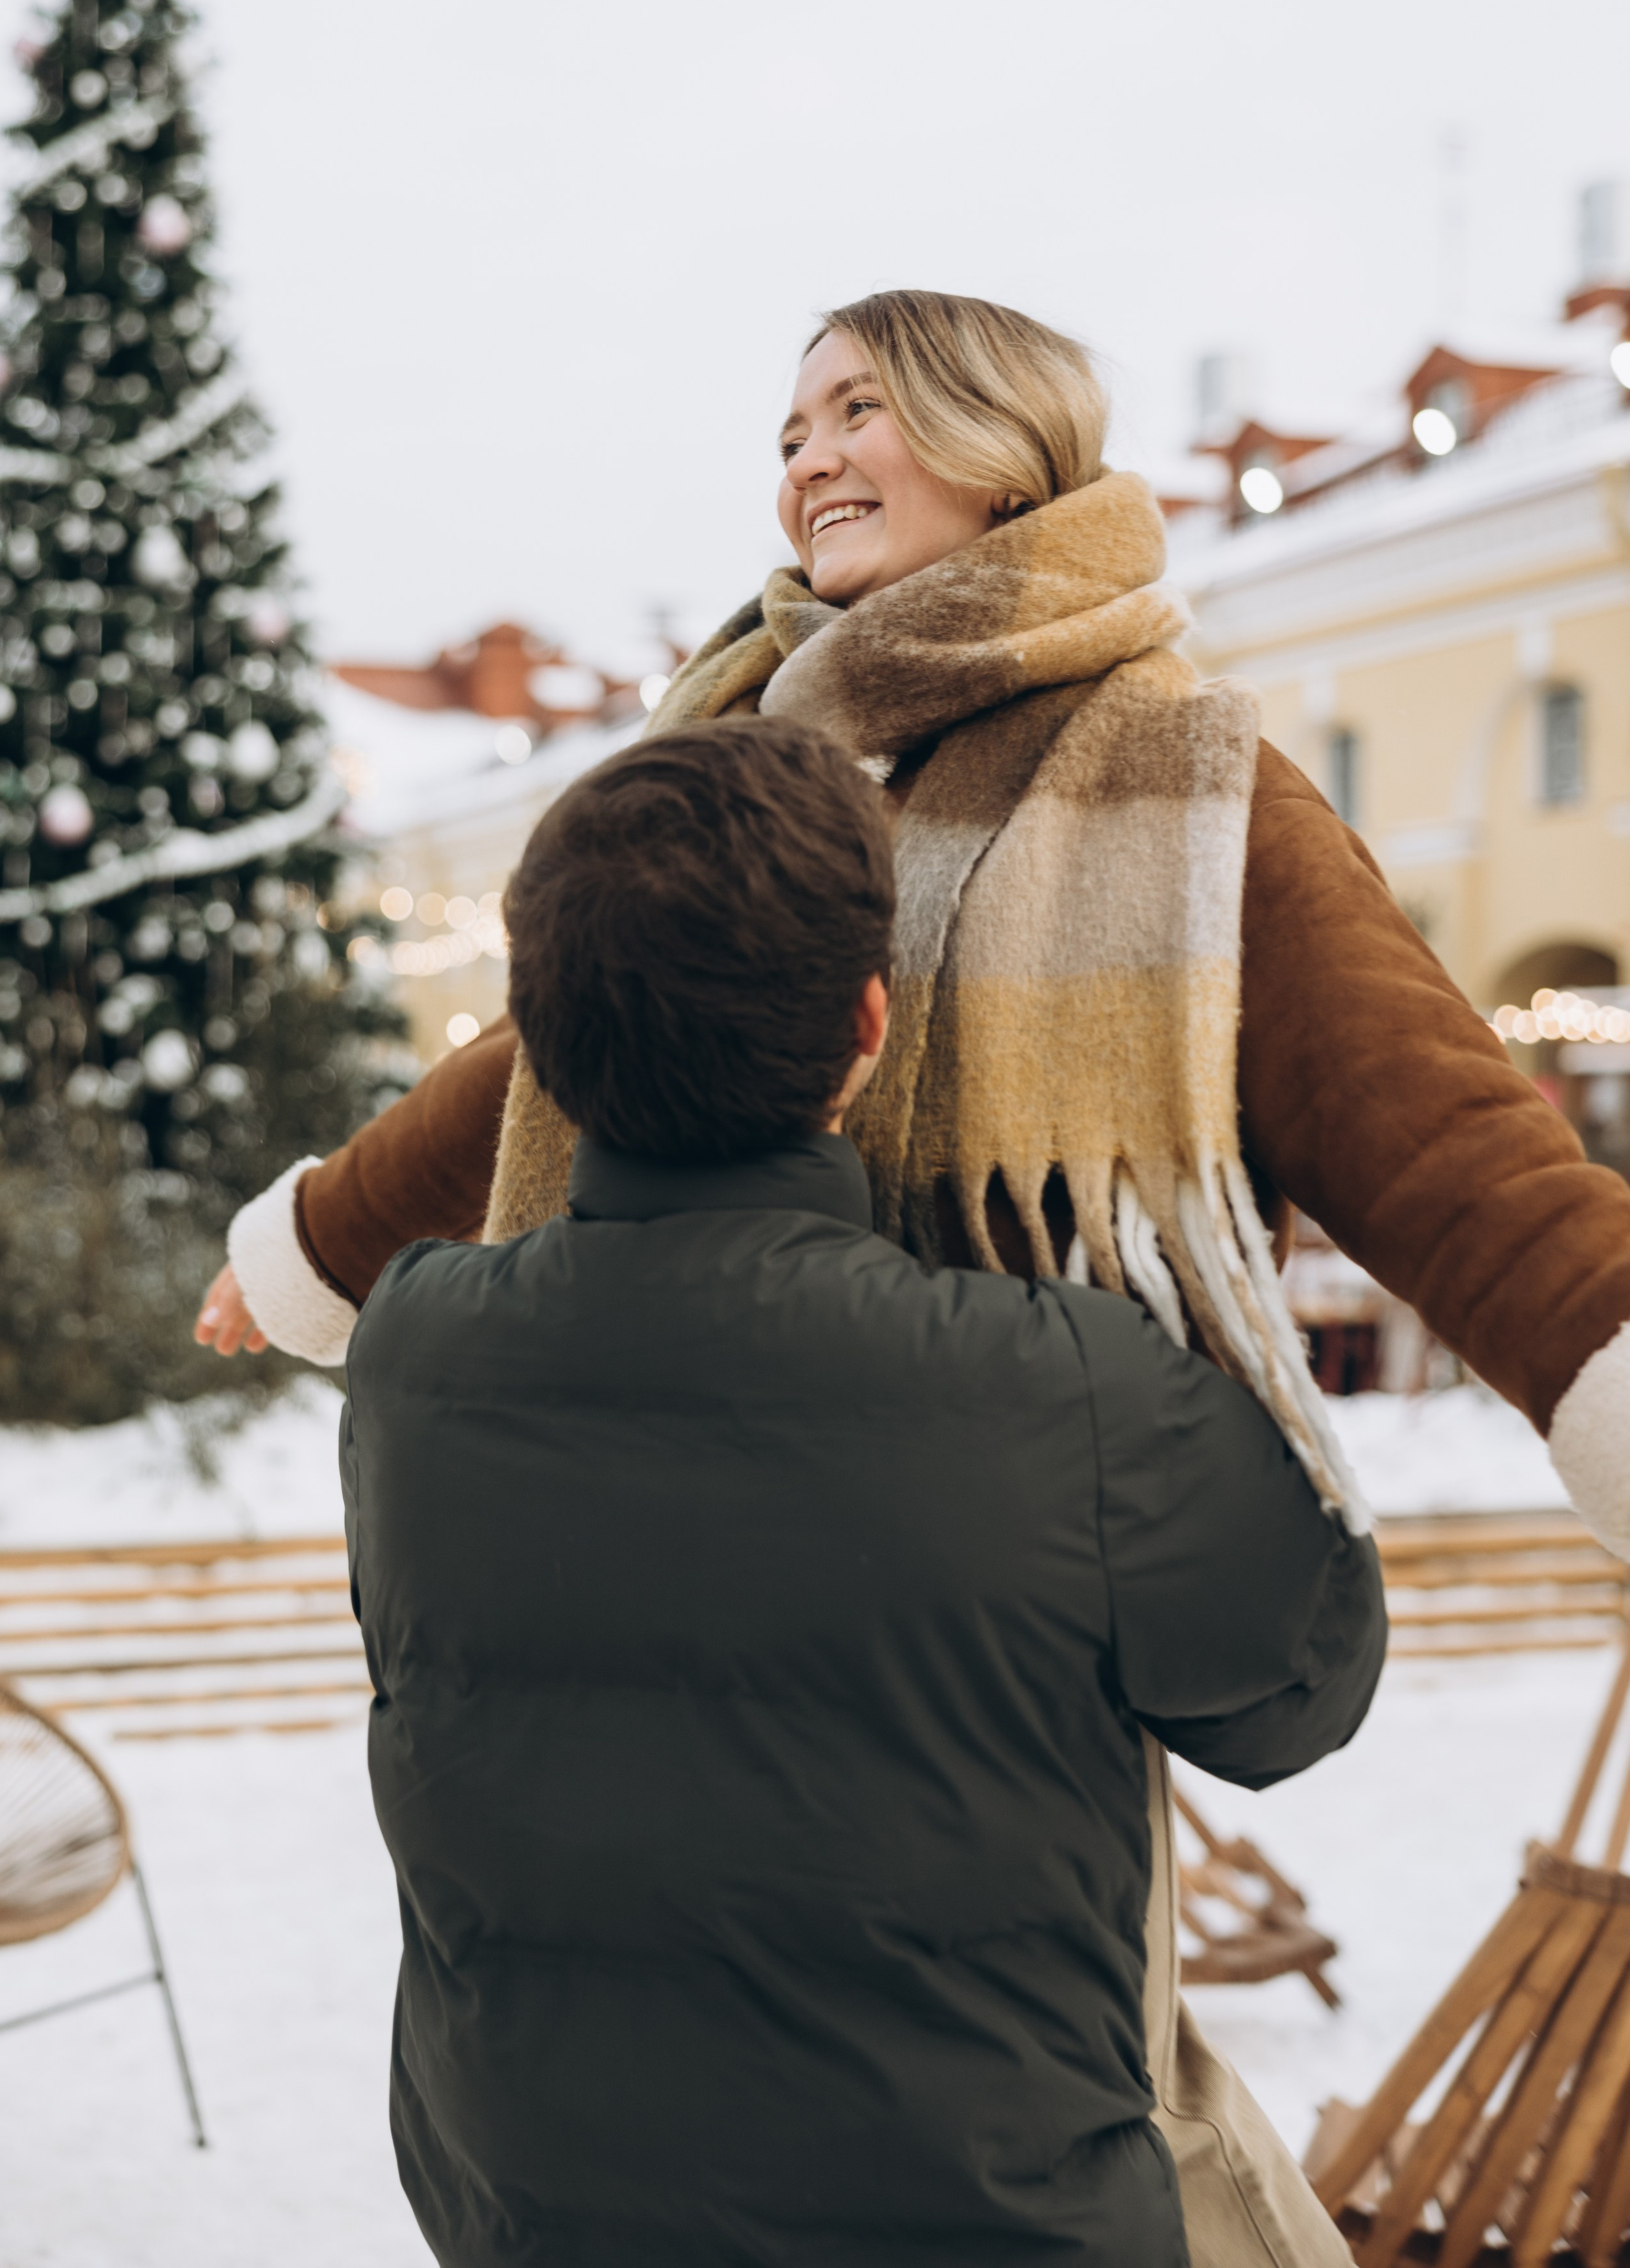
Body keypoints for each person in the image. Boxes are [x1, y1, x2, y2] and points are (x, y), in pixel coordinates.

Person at [201, 288, 1630, 2262]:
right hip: (782, 1487)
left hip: (979, 1587)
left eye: (863, 407)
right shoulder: (722, 749)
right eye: (789, 424)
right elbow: (556, 1046)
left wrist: (1599, 1353)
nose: (808, 456)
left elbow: (1437, 1124)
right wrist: (319, 1243)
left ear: (1009, 437)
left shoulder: (1174, 776)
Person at [341, 715, 1387, 2267]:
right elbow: (1297, 1691)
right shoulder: (1063, 1391)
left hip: (528, 2212)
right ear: (867, 1021)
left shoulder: (413, 1351)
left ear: (535, 1051)